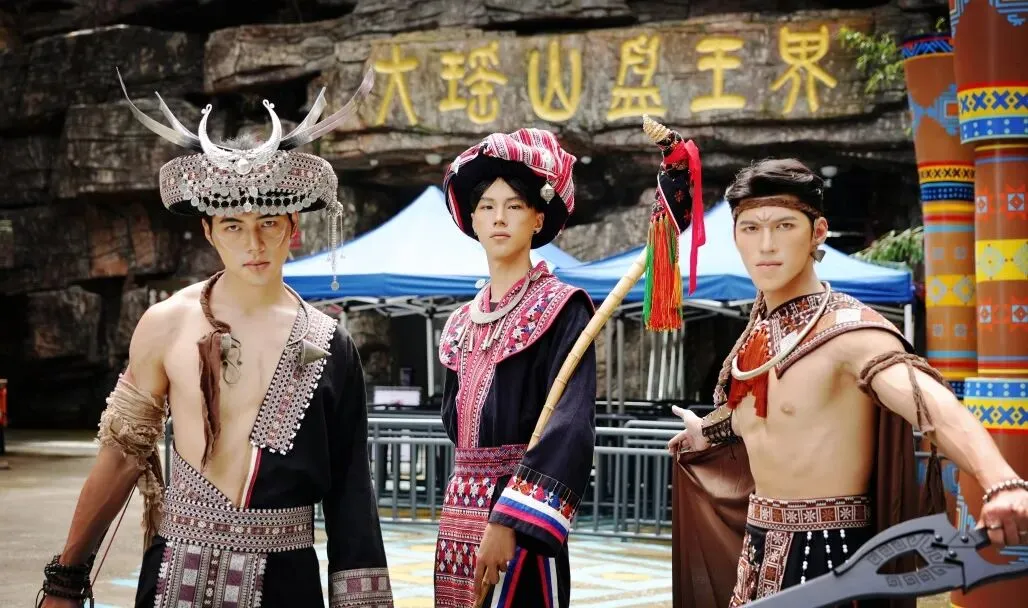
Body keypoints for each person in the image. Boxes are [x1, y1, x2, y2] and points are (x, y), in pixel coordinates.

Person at [37, 70, 394, 608]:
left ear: (293, 228)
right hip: (176, 576)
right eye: (232, 225)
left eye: (269, 222)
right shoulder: (167, 323)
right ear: (208, 231)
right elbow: (122, 456)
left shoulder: (329, 343)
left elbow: (350, 493)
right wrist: (65, 580)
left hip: (287, 580)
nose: (253, 243)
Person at [667, 158, 1028, 607]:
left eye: (784, 226)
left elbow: (930, 404)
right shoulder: (756, 337)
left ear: (818, 232)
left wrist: (1001, 481)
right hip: (757, 556)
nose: (766, 244)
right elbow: (764, 418)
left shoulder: (851, 331)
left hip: (834, 564)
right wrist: (707, 432)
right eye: (751, 228)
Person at [433, 129, 596, 608]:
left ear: (537, 218)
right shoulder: (461, 321)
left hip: (520, 516)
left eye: (514, 206)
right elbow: (454, 421)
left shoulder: (563, 308)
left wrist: (510, 518)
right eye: (486, 206)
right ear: (472, 220)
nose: (498, 218)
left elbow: (571, 424)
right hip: (460, 511)